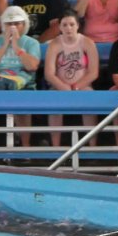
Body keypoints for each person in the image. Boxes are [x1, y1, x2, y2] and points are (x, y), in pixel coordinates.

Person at [0, 6, 41, 145]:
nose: (12, 27)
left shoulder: (31, 43)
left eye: (16, 23)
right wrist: (5, 44)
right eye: (9, 23)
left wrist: (16, 47)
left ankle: (26, 149)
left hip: (24, 83)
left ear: (24, 24)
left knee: (21, 99)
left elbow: (32, 66)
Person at [44, 10, 100, 146]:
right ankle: (56, 147)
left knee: (89, 99)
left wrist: (75, 87)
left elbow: (93, 72)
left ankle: (93, 146)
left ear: (77, 26)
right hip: (59, 86)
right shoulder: (55, 44)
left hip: (82, 85)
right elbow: (49, 73)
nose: (68, 28)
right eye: (64, 25)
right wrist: (64, 87)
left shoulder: (87, 43)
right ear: (60, 27)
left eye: (71, 24)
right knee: (53, 102)